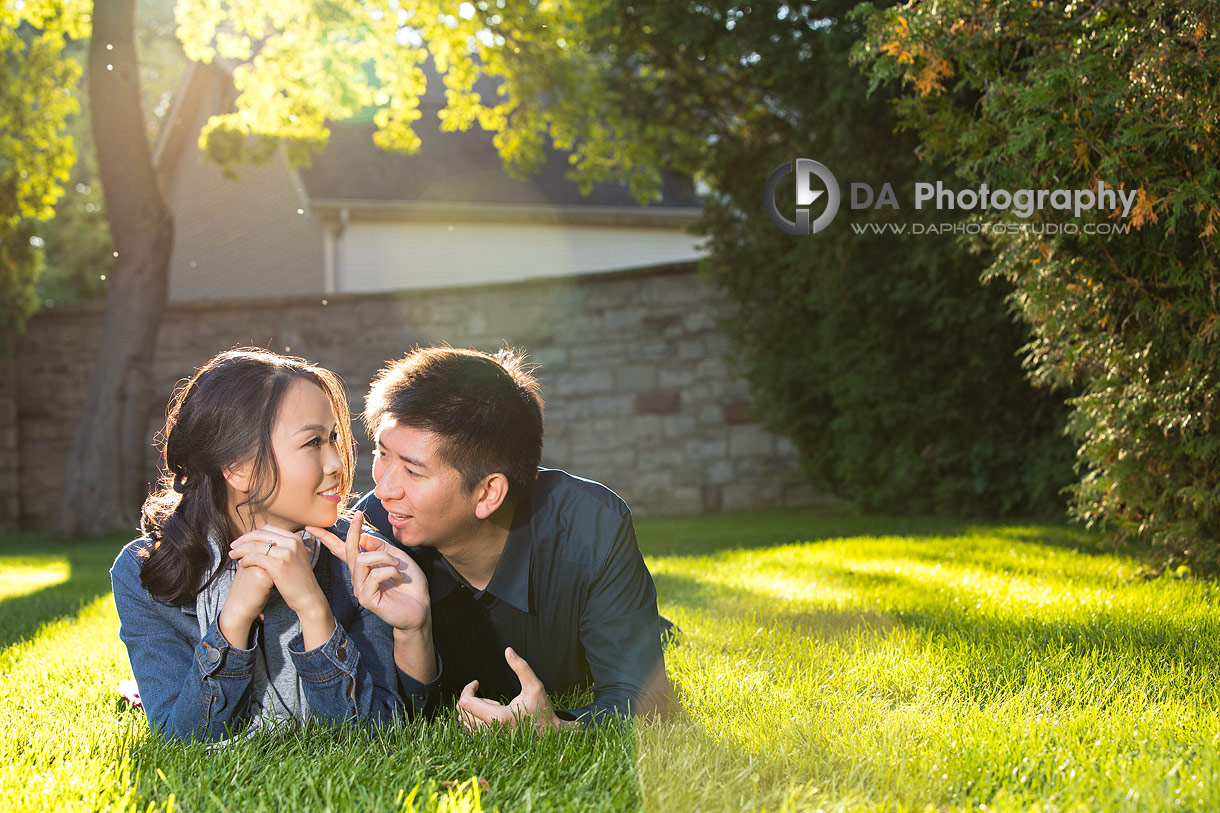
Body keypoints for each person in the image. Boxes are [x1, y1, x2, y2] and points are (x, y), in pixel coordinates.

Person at [311, 345, 669, 731]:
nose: (383, 489)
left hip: (608, 618)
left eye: (413, 472)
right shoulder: (376, 532)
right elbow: (386, 707)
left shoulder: (590, 526)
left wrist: (563, 727)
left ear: (487, 494)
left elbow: (643, 696)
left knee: (658, 636)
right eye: (382, 454)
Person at [110, 348, 436, 742]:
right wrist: (233, 621)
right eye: (313, 442)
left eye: (333, 438)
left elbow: (375, 735)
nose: (336, 463)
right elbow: (182, 741)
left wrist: (313, 609)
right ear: (238, 468)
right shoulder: (143, 572)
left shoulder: (358, 554)